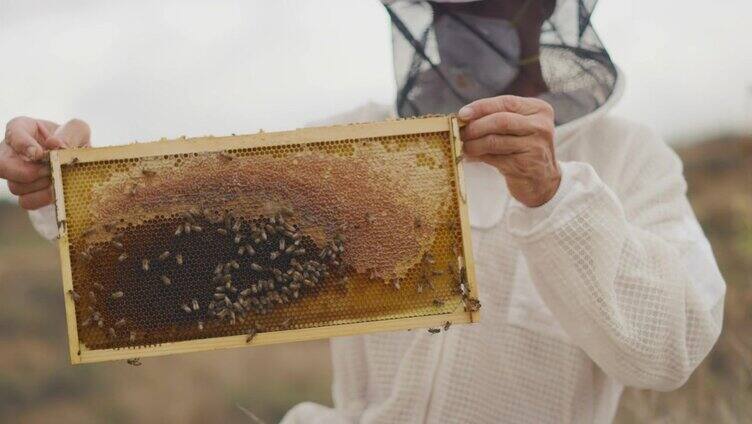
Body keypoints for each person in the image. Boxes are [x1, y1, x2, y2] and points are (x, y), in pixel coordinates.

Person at [0, 0, 725, 422]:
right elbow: (189, 247)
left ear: (544, 18)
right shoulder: (361, 142)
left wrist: (554, 194)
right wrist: (63, 189)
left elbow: (667, 351)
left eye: (487, 15)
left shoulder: (629, 158)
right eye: (447, 17)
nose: (459, 39)